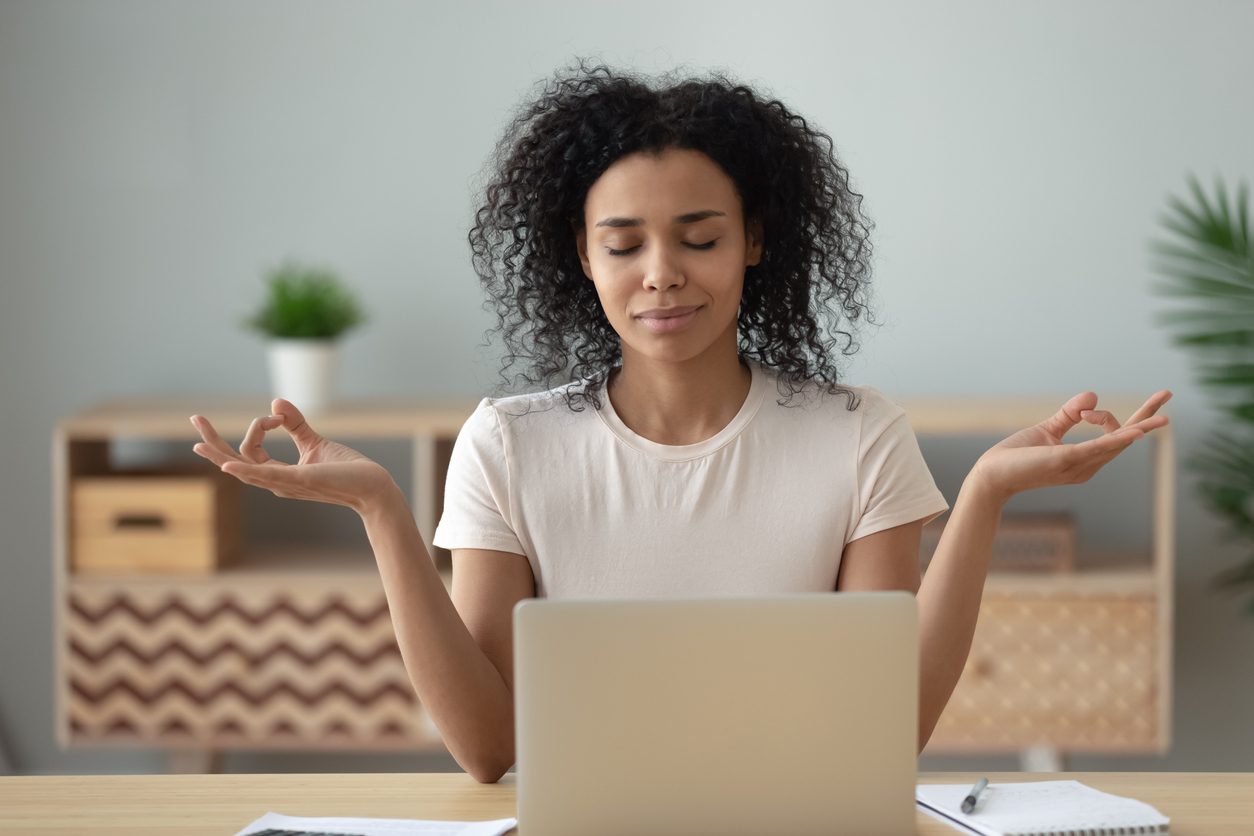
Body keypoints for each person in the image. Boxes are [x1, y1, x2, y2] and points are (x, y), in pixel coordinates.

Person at [189, 59, 1171, 784]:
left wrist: (986, 494)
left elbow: (885, 733)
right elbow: (490, 750)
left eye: (699, 237)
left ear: (753, 241)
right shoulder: (510, 441)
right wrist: (382, 512)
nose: (661, 270)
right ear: (582, 255)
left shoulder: (857, 433)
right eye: (625, 243)